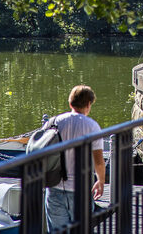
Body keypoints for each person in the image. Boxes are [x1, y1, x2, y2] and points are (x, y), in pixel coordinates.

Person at [45, 85, 106, 231]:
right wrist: (101, 181)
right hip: (80, 188)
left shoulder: (53, 123)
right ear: (89, 104)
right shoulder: (92, 126)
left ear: (70, 103)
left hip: (54, 185)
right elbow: (98, 161)